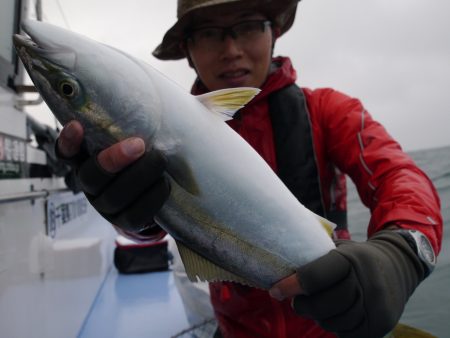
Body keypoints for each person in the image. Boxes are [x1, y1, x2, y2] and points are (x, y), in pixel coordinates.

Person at [56, 0, 443, 337]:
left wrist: (403, 251)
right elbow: (162, 229)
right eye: (209, 33)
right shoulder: (147, 132)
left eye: (249, 27)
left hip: (331, 329)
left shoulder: (328, 111)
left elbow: (400, 177)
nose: (232, 49)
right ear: (188, 51)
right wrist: (133, 221)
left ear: (273, 33)